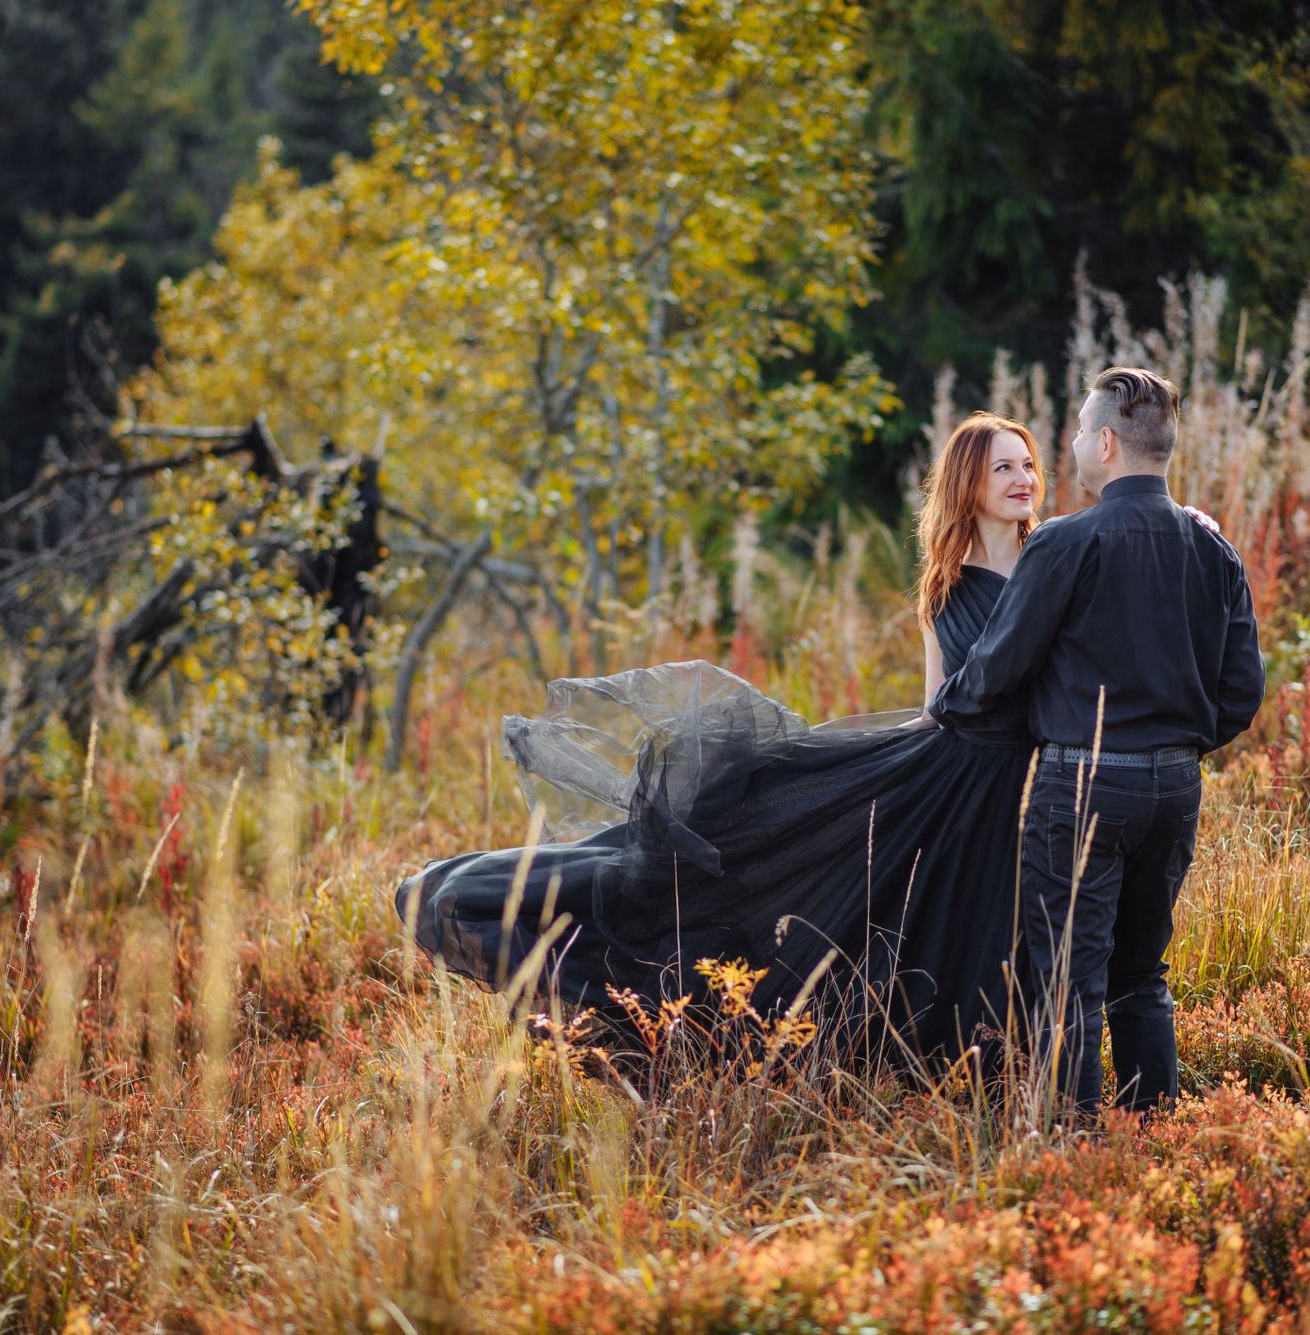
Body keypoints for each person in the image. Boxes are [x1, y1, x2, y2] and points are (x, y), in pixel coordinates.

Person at [395, 412, 1047, 1070]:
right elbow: (936, 708)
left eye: (1027, 464)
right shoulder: (942, 590)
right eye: (1004, 466)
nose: (1024, 478)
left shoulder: (1052, 559)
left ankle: (1006, 1073)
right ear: (968, 483)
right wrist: (819, 758)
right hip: (945, 774)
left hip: (1023, 777)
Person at [926, 367, 1266, 1118]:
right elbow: (1243, 689)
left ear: (1106, 443)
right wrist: (1175, 745)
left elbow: (994, 671)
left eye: (1080, 431)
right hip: (1177, 788)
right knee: (1141, 975)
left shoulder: (1064, 544)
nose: (1073, 444)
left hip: (1078, 787)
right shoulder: (1215, 549)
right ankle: (1153, 1131)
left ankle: (1072, 1150)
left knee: (1069, 981)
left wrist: (947, 704)